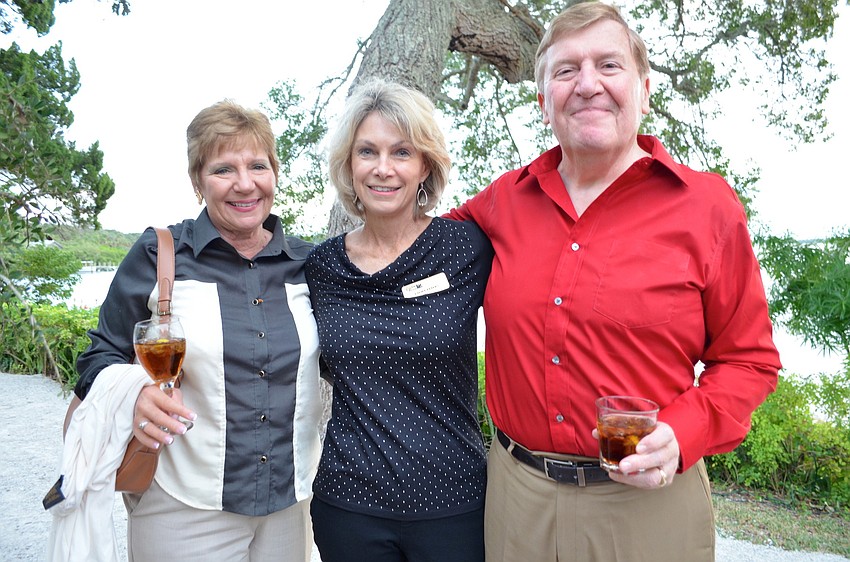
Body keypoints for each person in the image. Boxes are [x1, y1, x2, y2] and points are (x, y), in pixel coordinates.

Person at [444, 3, 782, 561]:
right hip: (516, 503)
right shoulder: (503, 200)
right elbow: (406, 249)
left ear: (643, 92)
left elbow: (750, 361)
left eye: (608, 65)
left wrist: (683, 433)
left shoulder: (707, 207)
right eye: (566, 70)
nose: (588, 85)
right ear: (543, 102)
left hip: (646, 508)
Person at [71, 100, 322, 561]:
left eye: (258, 166)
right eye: (223, 169)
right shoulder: (160, 254)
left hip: (291, 502)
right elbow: (98, 355)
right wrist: (133, 394)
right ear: (196, 180)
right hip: (182, 504)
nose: (244, 183)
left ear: (275, 173)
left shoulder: (309, 264)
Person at [305, 78, 493, 562]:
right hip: (349, 505)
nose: (383, 168)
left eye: (402, 152)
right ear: (349, 165)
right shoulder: (320, 268)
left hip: (454, 504)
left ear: (425, 165)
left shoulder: (467, 250)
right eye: (367, 151)